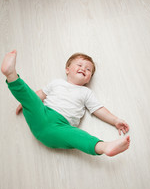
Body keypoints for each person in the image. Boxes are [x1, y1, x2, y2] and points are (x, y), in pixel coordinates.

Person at [1, 50, 130, 156]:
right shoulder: (57, 83)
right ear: (67, 69)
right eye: (79, 65)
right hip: (42, 114)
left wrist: (115, 120)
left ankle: (104, 147)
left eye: (88, 69)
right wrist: (25, 102)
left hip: (60, 128)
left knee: (78, 136)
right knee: (31, 99)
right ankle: (11, 75)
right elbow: (39, 95)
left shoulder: (86, 93)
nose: (83, 69)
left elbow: (99, 109)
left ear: (89, 79)